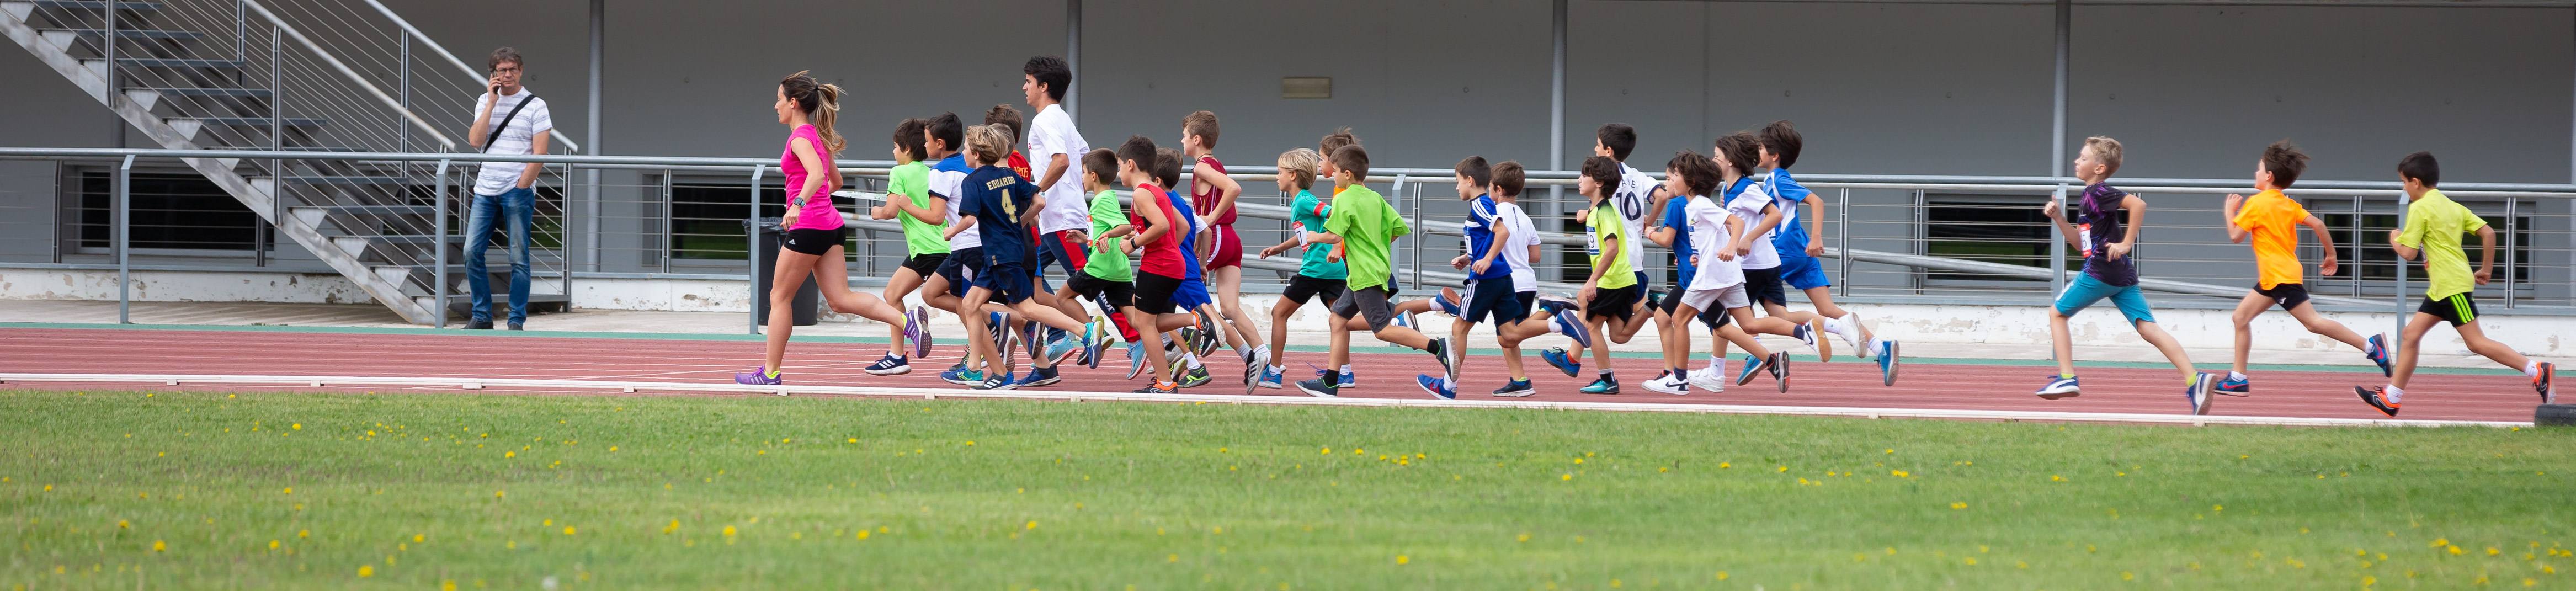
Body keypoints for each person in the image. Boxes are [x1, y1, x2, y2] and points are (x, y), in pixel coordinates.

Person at [733, 72, 909, 386]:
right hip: (831, 226)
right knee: (841, 299)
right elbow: (836, 182)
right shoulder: (818, 136)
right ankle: (904, 321)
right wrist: (813, 202)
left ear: (793, 102)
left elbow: (816, 175)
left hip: (809, 227)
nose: (775, 106)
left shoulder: (800, 138)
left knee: (779, 297)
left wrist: (798, 204)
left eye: (778, 100)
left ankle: (770, 373)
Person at [2356, 152, 2557, 414]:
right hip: (2443, 286)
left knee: (2475, 342)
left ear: (2416, 182)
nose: (2403, 188)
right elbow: (2488, 232)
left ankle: (2537, 370)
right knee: (2410, 335)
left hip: (2451, 286)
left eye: (2404, 182)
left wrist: (2394, 236)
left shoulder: (2420, 208)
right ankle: (2391, 397)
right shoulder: (2451, 205)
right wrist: (2486, 269)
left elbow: (2408, 253)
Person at [2032, 136, 2219, 414]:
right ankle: (2195, 379)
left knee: (2057, 313)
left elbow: (2138, 205)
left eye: (2083, 158)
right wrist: (2060, 218)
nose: (2077, 161)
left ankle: (2067, 378)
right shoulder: (2088, 198)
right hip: (2121, 275)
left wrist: (2127, 242)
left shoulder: (2099, 192)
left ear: (2099, 168)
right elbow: (2078, 244)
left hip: (2101, 271)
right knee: (2148, 328)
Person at [2217, 140, 2393, 393]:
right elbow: (2320, 225)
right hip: (2276, 277)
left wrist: (2229, 211)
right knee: (2240, 317)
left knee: (2313, 323)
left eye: (2258, 169)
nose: (2254, 174)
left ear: (2269, 176)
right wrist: (2331, 256)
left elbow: (2236, 236)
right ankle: (2238, 378)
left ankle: (2372, 347)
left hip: (2280, 278)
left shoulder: (2256, 204)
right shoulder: (2288, 204)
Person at [1418, 157, 1591, 399]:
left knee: (1460, 327)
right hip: (1511, 277)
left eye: (1458, 182)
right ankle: (1557, 324)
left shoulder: (1485, 206)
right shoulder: (1521, 216)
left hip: (1489, 278)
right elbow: (1534, 255)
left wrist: (1485, 260)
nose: (1456, 187)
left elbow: (1502, 233)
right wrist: (1471, 257)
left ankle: (1448, 386)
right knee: (1509, 334)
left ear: (1476, 183)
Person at [1292, 144, 1456, 398]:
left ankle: (1438, 347)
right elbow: (1398, 228)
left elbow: (1334, 234)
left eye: (1335, 171)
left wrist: (1314, 237)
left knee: (1381, 329)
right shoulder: (1375, 197)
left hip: (1364, 274)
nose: (1333, 176)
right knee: (1337, 319)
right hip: (1371, 271)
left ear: (1347, 174)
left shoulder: (1344, 198)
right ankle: (1330, 382)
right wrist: (1373, 246)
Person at [952, 124, 1096, 390]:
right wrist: (1021, 222)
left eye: (966, 148)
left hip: (1000, 255)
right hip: (1007, 251)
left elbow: (970, 218)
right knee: (971, 304)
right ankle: (973, 367)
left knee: (1027, 308)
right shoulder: (1009, 176)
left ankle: (1083, 330)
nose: (964, 153)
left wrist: (952, 231)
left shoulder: (972, 181)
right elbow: (1039, 202)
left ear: (977, 153)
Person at [1754, 121, 1900, 384]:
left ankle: (1754, 351)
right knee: (1827, 307)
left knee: (1750, 300)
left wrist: (1817, 237)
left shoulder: (1778, 179)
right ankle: (1882, 348)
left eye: (1761, 147)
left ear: (1774, 155)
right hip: (1801, 252)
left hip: (1785, 252)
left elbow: (1816, 200)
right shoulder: (1770, 180)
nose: (1757, 151)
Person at [1644, 148, 1786, 395]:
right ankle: (1773, 362)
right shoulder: (1695, 206)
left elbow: (1737, 222)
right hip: (1726, 275)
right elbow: (1716, 234)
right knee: (1743, 324)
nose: (1670, 180)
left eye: (1674, 175)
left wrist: (1732, 247)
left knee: (1678, 319)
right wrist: (1699, 255)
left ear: (1691, 182)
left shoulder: (1698, 205)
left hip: (1711, 277)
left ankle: (1678, 379)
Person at [461, 47, 551, 330]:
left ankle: (516, 319)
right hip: (485, 189)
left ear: (521, 71)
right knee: (471, 251)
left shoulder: (536, 105)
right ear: (493, 74)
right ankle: (482, 315)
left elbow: (540, 153)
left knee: (518, 257)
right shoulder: (483, 101)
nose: (508, 75)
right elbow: (475, 141)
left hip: (516, 189)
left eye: (512, 69)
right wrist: (490, 103)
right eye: (502, 71)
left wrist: (523, 184)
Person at [917, 113, 1001, 386]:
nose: (924, 144)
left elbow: (936, 216)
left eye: (927, 140)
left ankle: (982, 362)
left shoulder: (940, 171)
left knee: (968, 307)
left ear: (939, 143)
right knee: (931, 293)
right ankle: (993, 323)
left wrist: (904, 206)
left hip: (969, 245)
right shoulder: (973, 166)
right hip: (971, 245)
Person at [1021, 56, 1099, 350]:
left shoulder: (1045, 120)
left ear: (1043, 86)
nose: (1024, 87)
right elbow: (1084, 154)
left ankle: (1147, 338)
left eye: (1028, 82)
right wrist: (1071, 191)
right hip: (1055, 216)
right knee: (1027, 275)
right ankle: (1059, 333)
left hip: (1062, 218)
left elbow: (1063, 160)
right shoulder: (1062, 118)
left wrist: (1037, 190)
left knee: (1095, 283)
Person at [1183, 111, 1268, 376]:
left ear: (1196, 139)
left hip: (1216, 236)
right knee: (1230, 307)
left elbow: (1234, 189)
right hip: (1231, 239)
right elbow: (1234, 206)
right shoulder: (1216, 164)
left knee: (1194, 299)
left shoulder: (1201, 167)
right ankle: (1263, 356)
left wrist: (1210, 218)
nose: (1181, 140)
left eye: (1184, 136)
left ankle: (1206, 334)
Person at [1255, 148, 1344, 389]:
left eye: (1280, 172)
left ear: (1293, 175)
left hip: (1316, 269)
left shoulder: (1304, 199)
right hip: (1334, 270)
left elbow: (1335, 214)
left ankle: (1274, 372)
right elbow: (1304, 234)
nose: (1277, 176)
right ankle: (1393, 323)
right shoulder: (1300, 202)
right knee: (1341, 318)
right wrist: (1279, 247)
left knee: (1279, 313)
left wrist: (1336, 242)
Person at [1568, 156, 1657, 395]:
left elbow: (1613, 248)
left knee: (1590, 328)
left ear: (1598, 183)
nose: (1579, 180)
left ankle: (1607, 380)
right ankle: (1652, 305)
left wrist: (1593, 279)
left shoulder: (1605, 212)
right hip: (1623, 280)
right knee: (1618, 335)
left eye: (1584, 176)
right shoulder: (1596, 211)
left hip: (1613, 281)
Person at [864, 118, 944, 375]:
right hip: (944, 246)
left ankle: (898, 354)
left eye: (895, 146)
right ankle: (896, 355)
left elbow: (890, 211)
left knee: (893, 296)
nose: (893, 151)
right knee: (894, 294)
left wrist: (875, 213)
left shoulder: (899, 172)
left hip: (925, 249)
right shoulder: (933, 173)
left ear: (907, 149)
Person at [1114, 136, 1190, 394]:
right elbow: (1182, 226)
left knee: (1143, 324)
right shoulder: (1158, 192)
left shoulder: (1141, 193)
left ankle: (1165, 383)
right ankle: (1196, 320)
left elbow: (1163, 226)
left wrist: (1135, 244)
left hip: (1158, 267)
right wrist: (1160, 246)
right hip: (1170, 264)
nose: (1118, 172)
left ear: (1131, 165)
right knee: (1143, 319)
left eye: (1120, 165)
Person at [1067, 148, 1142, 370]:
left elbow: (1124, 226)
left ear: (1093, 176)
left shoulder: (1102, 200)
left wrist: (1108, 235)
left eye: (1082, 173)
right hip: (1118, 269)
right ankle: (1181, 330)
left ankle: (1090, 332)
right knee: (1136, 319)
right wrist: (1085, 238)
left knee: (1063, 298)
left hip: (1101, 267)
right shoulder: (1107, 198)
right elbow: (1105, 229)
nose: (1081, 177)